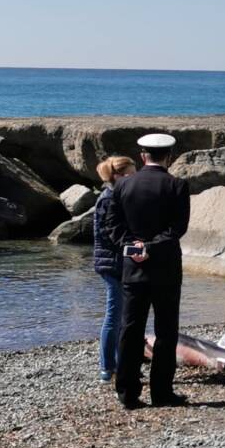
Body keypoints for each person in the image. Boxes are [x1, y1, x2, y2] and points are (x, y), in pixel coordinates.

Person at [107, 133, 190, 409]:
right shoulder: (177, 185)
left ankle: (128, 392)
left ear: (143, 156)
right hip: (166, 268)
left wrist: (133, 246)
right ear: (169, 157)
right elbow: (177, 229)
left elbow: (113, 226)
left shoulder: (123, 186)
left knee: (130, 329)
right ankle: (162, 392)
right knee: (166, 331)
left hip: (133, 268)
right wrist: (151, 247)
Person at [93, 155, 137, 382]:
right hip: (111, 264)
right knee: (114, 315)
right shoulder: (108, 199)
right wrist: (133, 249)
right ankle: (107, 366)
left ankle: (120, 363)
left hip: (117, 262)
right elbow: (108, 236)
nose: (134, 178)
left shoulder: (116, 196)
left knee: (121, 315)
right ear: (117, 176)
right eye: (130, 174)